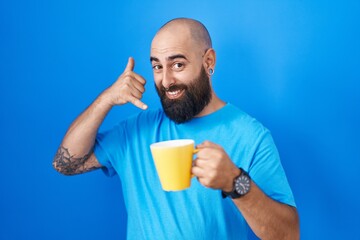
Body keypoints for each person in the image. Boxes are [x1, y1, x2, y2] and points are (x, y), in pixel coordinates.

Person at [53, 18, 299, 239]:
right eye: (158, 67)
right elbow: (65, 164)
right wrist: (105, 99)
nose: (166, 81)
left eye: (178, 65)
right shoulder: (135, 131)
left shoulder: (250, 136)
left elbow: (288, 235)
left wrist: (235, 182)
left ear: (208, 61)